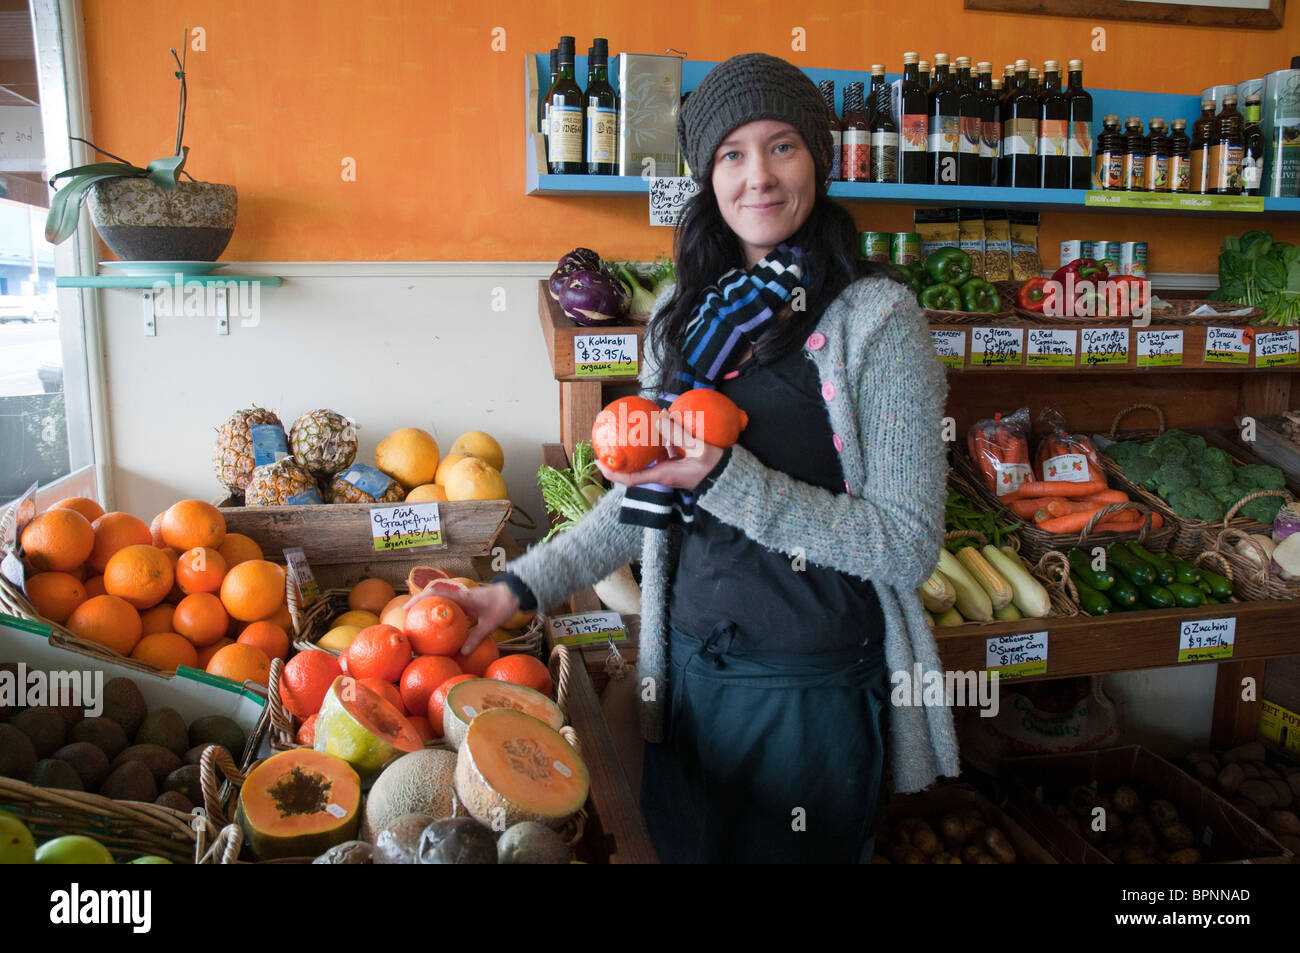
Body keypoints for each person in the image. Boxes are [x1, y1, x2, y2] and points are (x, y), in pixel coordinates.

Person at [413, 52, 958, 863]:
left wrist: (727, 481)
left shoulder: (876, 320)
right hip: (688, 674)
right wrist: (513, 589)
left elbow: (906, 542)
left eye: (783, 146)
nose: (758, 177)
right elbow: (636, 502)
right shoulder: (682, 314)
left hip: (808, 692)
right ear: (708, 176)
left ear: (819, 157)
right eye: (732, 155)